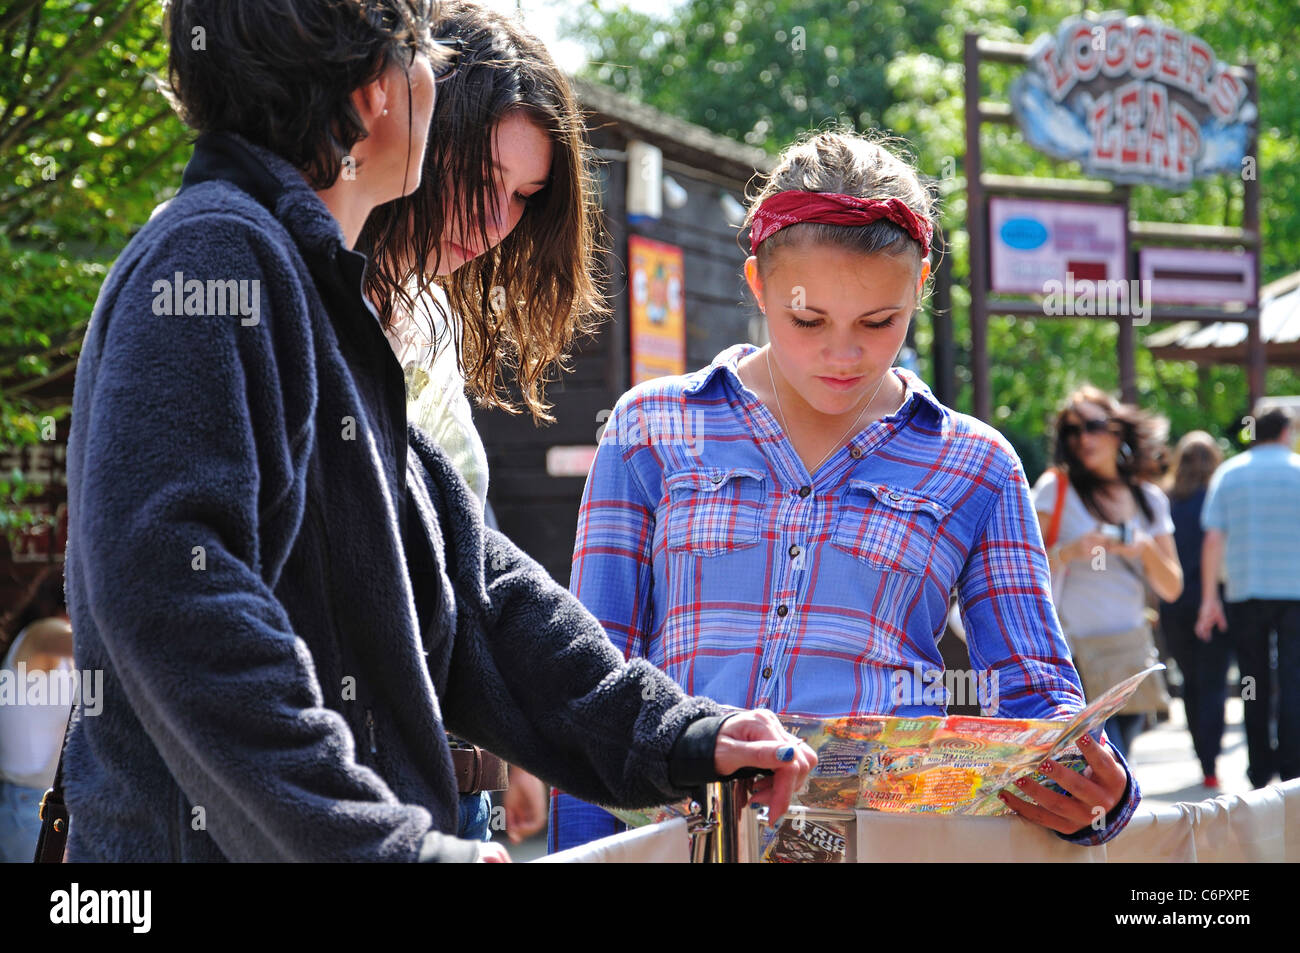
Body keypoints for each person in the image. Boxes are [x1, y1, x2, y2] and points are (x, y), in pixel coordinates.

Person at [58, 0, 813, 863]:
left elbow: (476, 591)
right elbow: (173, 596)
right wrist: (388, 849)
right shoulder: (215, 257)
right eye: (422, 52)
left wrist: (683, 736)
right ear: (377, 89)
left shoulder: (314, 293)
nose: (435, 75)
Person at [552, 129, 1141, 854]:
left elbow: (1035, 691)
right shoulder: (650, 428)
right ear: (758, 285)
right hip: (682, 843)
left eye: (879, 321)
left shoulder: (975, 464)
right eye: (808, 320)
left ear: (919, 289)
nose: (842, 353)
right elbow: (593, 682)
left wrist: (1097, 794)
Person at [360, 0, 605, 844]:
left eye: (525, 197)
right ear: (420, 122)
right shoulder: (269, 282)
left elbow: (463, 539)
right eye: (486, 179)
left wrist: (515, 739)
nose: (499, 223)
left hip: (440, 780)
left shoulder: (426, 314)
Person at [1032, 387, 1183, 761]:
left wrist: (1145, 548)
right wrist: (1069, 551)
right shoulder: (1056, 489)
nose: (1083, 438)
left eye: (1094, 426)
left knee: (1118, 767)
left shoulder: (1149, 498)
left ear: (1117, 431)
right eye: (1072, 430)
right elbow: (1020, 568)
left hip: (1127, 657)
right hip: (1072, 658)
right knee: (1092, 769)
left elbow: (1172, 587)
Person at [1197, 406, 1300, 787]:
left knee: (1251, 681)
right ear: (1287, 431)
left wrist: (1210, 598)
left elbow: (1212, 539)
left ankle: (1259, 769)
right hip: (1295, 592)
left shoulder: (1231, 474)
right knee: (1294, 679)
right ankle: (1293, 768)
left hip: (1244, 592)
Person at [1159, 431, 1230, 789]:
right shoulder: (1220, 500)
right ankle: (1211, 761)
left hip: (1174, 603)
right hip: (1216, 601)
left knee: (1191, 680)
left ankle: (1201, 751)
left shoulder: (1166, 501)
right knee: (1214, 681)